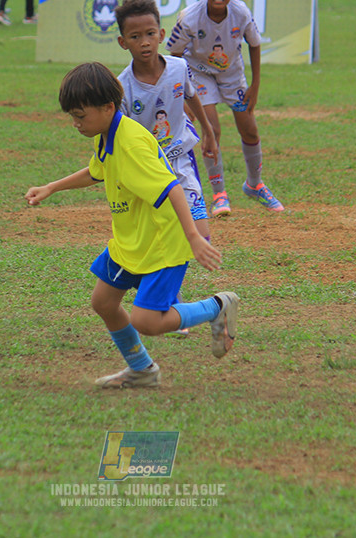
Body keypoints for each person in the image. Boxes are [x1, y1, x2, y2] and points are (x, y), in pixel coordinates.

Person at [24, 62, 239, 389]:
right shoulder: (107, 134)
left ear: (108, 107)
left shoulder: (131, 143)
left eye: (80, 116)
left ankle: (217, 306)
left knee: (147, 321)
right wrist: (52, 187)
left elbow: (172, 188)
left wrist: (193, 237)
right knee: (104, 303)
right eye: (72, 116)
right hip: (132, 241)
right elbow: (96, 171)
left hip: (163, 243)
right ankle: (142, 369)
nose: (75, 124)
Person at [166, 0, 284, 216]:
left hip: (231, 75)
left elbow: (254, 44)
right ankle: (219, 194)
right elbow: (173, 54)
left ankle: (255, 184)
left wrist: (255, 84)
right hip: (198, 74)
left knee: (250, 130)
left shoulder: (241, 13)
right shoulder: (189, 18)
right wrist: (183, 95)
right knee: (212, 131)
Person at [114, 0, 217, 247]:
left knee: (201, 233)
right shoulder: (122, 88)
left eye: (150, 34)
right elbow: (119, 134)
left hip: (181, 156)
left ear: (161, 34)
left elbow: (191, 95)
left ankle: (174, 281)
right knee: (157, 233)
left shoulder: (179, 68)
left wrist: (208, 131)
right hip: (147, 165)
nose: (145, 43)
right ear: (122, 42)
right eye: (135, 37)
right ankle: (165, 283)